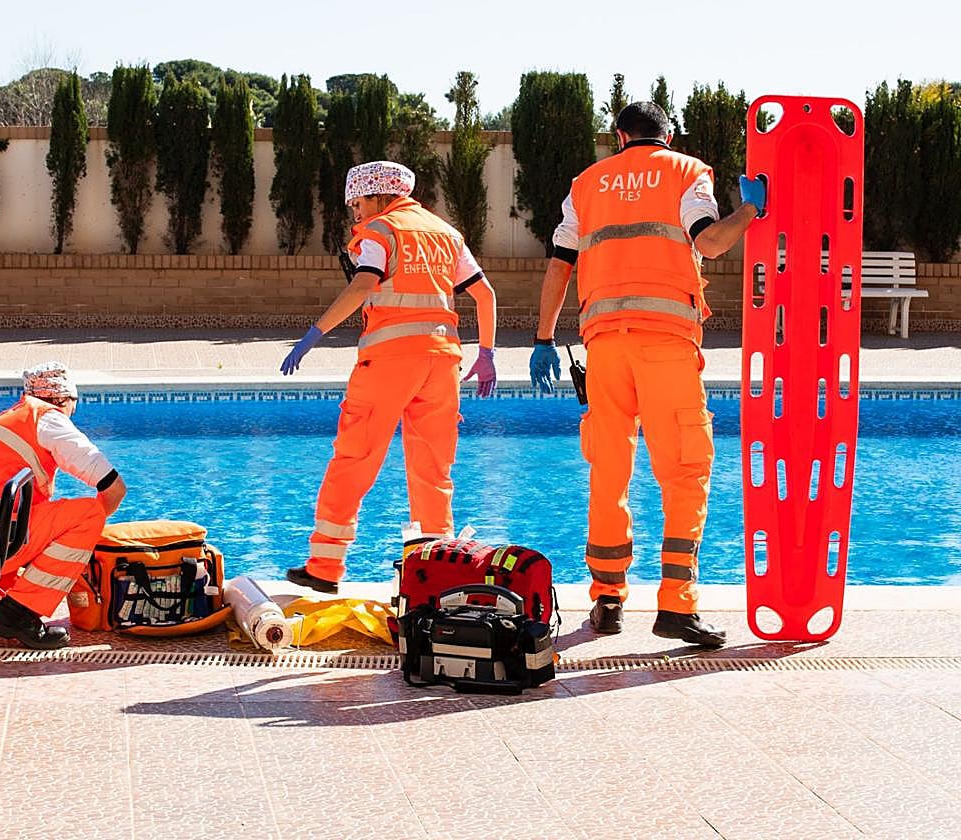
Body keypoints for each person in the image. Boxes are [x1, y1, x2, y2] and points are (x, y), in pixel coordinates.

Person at [530, 102, 766, 647]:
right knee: (685, 470)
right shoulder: (687, 171)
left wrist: (543, 338)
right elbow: (709, 242)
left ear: (619, 137)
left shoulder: (584, 185)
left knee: (608, 471)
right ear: (669, 133)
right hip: (666, 344)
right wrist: (751, 209)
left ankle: (607, 602)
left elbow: (559, 264)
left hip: (603, 346)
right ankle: (676, 607)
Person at [280, 160, 498, 593]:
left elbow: (363, 286)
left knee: (354, 458)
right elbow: (484, 293)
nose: (355, 213)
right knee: (433, 471)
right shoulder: (446, 234)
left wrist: (314, 333)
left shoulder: (381, 232)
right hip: (442, 364)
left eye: (357, 203)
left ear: (378, 195)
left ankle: (325, 567)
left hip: (389, 362)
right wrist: (487, 353)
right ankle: (439, 577)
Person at [0, 361, 127, 649]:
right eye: (74, 404)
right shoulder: (48, 418)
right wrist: (84, 543)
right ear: (63, 399)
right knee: (89, 513)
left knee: (13, 589)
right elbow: (113, 488)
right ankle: (19, 615)